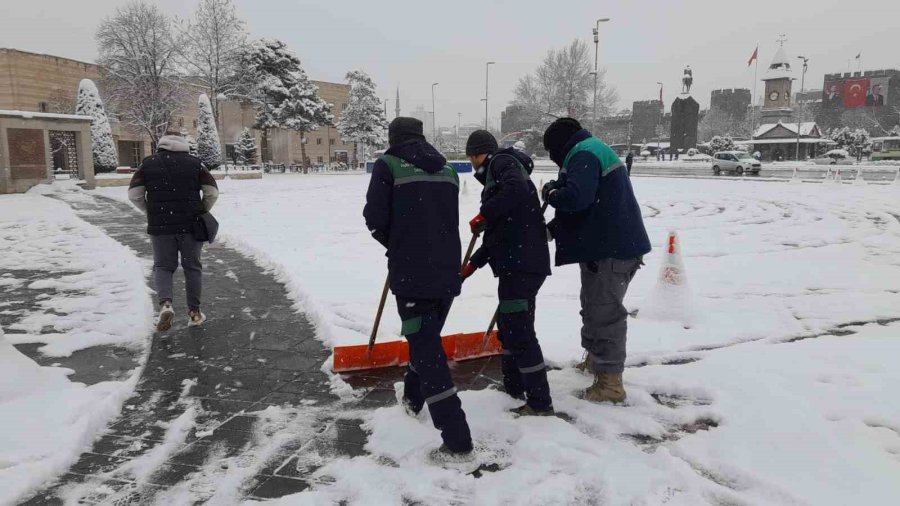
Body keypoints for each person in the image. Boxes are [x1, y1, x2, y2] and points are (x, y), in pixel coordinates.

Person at [363, 117, 474, 463]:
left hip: (413, 274)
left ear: (394, 138)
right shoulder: (447, 171)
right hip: (445, 272)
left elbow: (375, 218)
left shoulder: (387, 165)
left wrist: (397, 244)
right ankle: (412, 401)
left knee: (428, 354)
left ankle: (458, 442)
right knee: (424, 340)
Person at [541, 118, 651, 404]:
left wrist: (553, 193)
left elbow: (577, 199)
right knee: (592, 306)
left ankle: (610, 383)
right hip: (606, 247)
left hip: (612, 250)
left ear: (557, 147)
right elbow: (586, 207)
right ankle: (595, 363)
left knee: (604, 313)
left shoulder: (584, 153)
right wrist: (552, 230)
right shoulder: (588, 150)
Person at [461, 130, 553, 416]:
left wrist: (485, 214)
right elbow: (500, 234)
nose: (472, 163)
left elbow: (515, 190)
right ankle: (515, 386)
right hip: (520, 263)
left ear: (479, 153)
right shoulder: (500, 173)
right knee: (512, 326)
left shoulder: (501, 162)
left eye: (472, 156)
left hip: (521, 266)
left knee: (519, 330)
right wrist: (472, 265)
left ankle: (539, 402)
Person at [128, 131, 218, 331]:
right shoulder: (196, 163)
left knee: (163, 266)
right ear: (183, 143)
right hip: (191, 225)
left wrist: (151, 211)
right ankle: (194, 313)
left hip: (161, 227)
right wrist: (202, 209)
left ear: (161, 144)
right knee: (192, 267)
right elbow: (212, 192)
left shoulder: (147, 163)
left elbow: (134, 194)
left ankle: (166, 304)